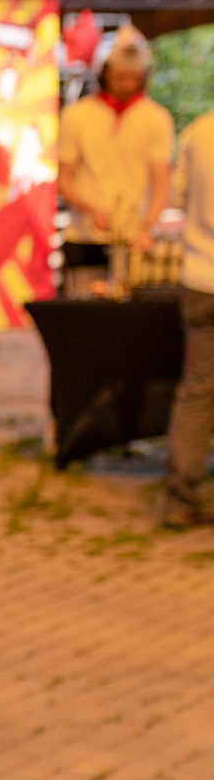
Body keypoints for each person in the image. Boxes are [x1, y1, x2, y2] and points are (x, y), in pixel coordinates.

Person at [60, 25, 173, 287]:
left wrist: (148, 227)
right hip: (85, 236)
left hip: (134, 238)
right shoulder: (78, 115)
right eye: (120, 76)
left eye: (133, 77)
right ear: (105, 73)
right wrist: (90, 209)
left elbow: (162, 181)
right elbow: (65, 179)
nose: (127, 84)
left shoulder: (156, 118)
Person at [168, 102, 214, 526]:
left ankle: (181, 496)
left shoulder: (198, 131)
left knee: (198, 391)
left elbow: (178, 199)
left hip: (200, 278)